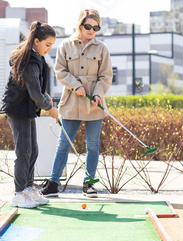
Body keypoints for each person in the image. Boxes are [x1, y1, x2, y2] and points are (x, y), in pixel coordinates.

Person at [40, 9, 112, 198]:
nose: (92, 30)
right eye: (88, 26)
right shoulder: (65, 45)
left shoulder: (102, 48)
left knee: (93, 146)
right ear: (80, 25)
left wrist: (97, 94)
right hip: (71, 102)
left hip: (94, 104)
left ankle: (89, 184)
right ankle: (54, 183)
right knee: (63, 144)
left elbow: (106, 76)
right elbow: (60, 71)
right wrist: (75, 85)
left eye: (96, 27)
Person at [0, 22, 59, 208]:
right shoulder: (30, 60)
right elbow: (34, 94)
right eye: (47, 45)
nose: (49, 49)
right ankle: (18, 193)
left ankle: (28, 188)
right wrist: (51, 108)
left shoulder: (36, 58)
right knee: (23, 152)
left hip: (26, 109)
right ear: (36, 41)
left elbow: (36, 90)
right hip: (17, 109)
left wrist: (45, 97)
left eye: (51, 45)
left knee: (33, 150)